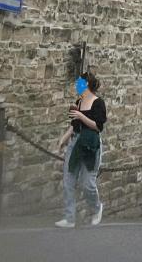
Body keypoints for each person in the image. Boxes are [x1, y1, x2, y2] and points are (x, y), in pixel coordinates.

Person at [55, 71, 107, 228]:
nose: (76, 86)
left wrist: (81, 116)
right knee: (68, 180)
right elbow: (74, 125)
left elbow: (98, 126)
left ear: (86, 85)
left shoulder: (98, 103)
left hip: (91, 143)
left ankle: (97, 209)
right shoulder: (78, 101)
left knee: (87, 183)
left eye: (79, 84)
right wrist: (63, 139)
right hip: (76, 142)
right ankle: (69, 218)